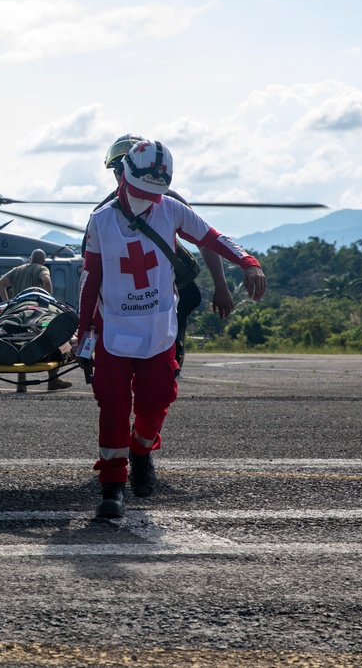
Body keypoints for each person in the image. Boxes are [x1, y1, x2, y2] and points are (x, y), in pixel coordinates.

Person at [76, 140, 266, 519]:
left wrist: (248, 261)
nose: (150, 199)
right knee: (112, 406)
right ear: (125, 177)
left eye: (155, 192)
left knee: (156, 400)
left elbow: (212, 237)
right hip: (113, 329)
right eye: (143, 191)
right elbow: (90, 278)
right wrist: (83, 332)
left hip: (160, 328)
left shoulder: (171, 209)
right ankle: (112, 485)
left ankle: (142, 451)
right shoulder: (101, 221)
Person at [94, 134, 235, 373]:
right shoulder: (103, 214)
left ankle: (171, 352)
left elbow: (205, 240)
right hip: (127, 298)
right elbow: (94, 269)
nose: (120, 175)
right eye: (116, 170)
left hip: (169, 289)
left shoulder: (169, 202)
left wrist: (221, 285)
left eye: (122, 168)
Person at [0, 249, 72, 390]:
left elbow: (0, 283)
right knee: (51, 333)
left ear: (30, 259)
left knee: (16, 334)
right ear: (42, 261)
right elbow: (46, 280)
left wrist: (9, 302)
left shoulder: (17, 269)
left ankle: (21, 382)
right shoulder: (41, 268)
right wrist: (48, 299)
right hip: (39, 309)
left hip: (18, 309)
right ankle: (53, 379)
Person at [0, 287, 79, 366]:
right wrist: (73, 338)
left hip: (15, 310)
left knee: (4, 324)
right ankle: (51, 349)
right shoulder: (59, 305)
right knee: (48, 325)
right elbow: (68, 327)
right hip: (47, 310)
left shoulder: (8, 305)